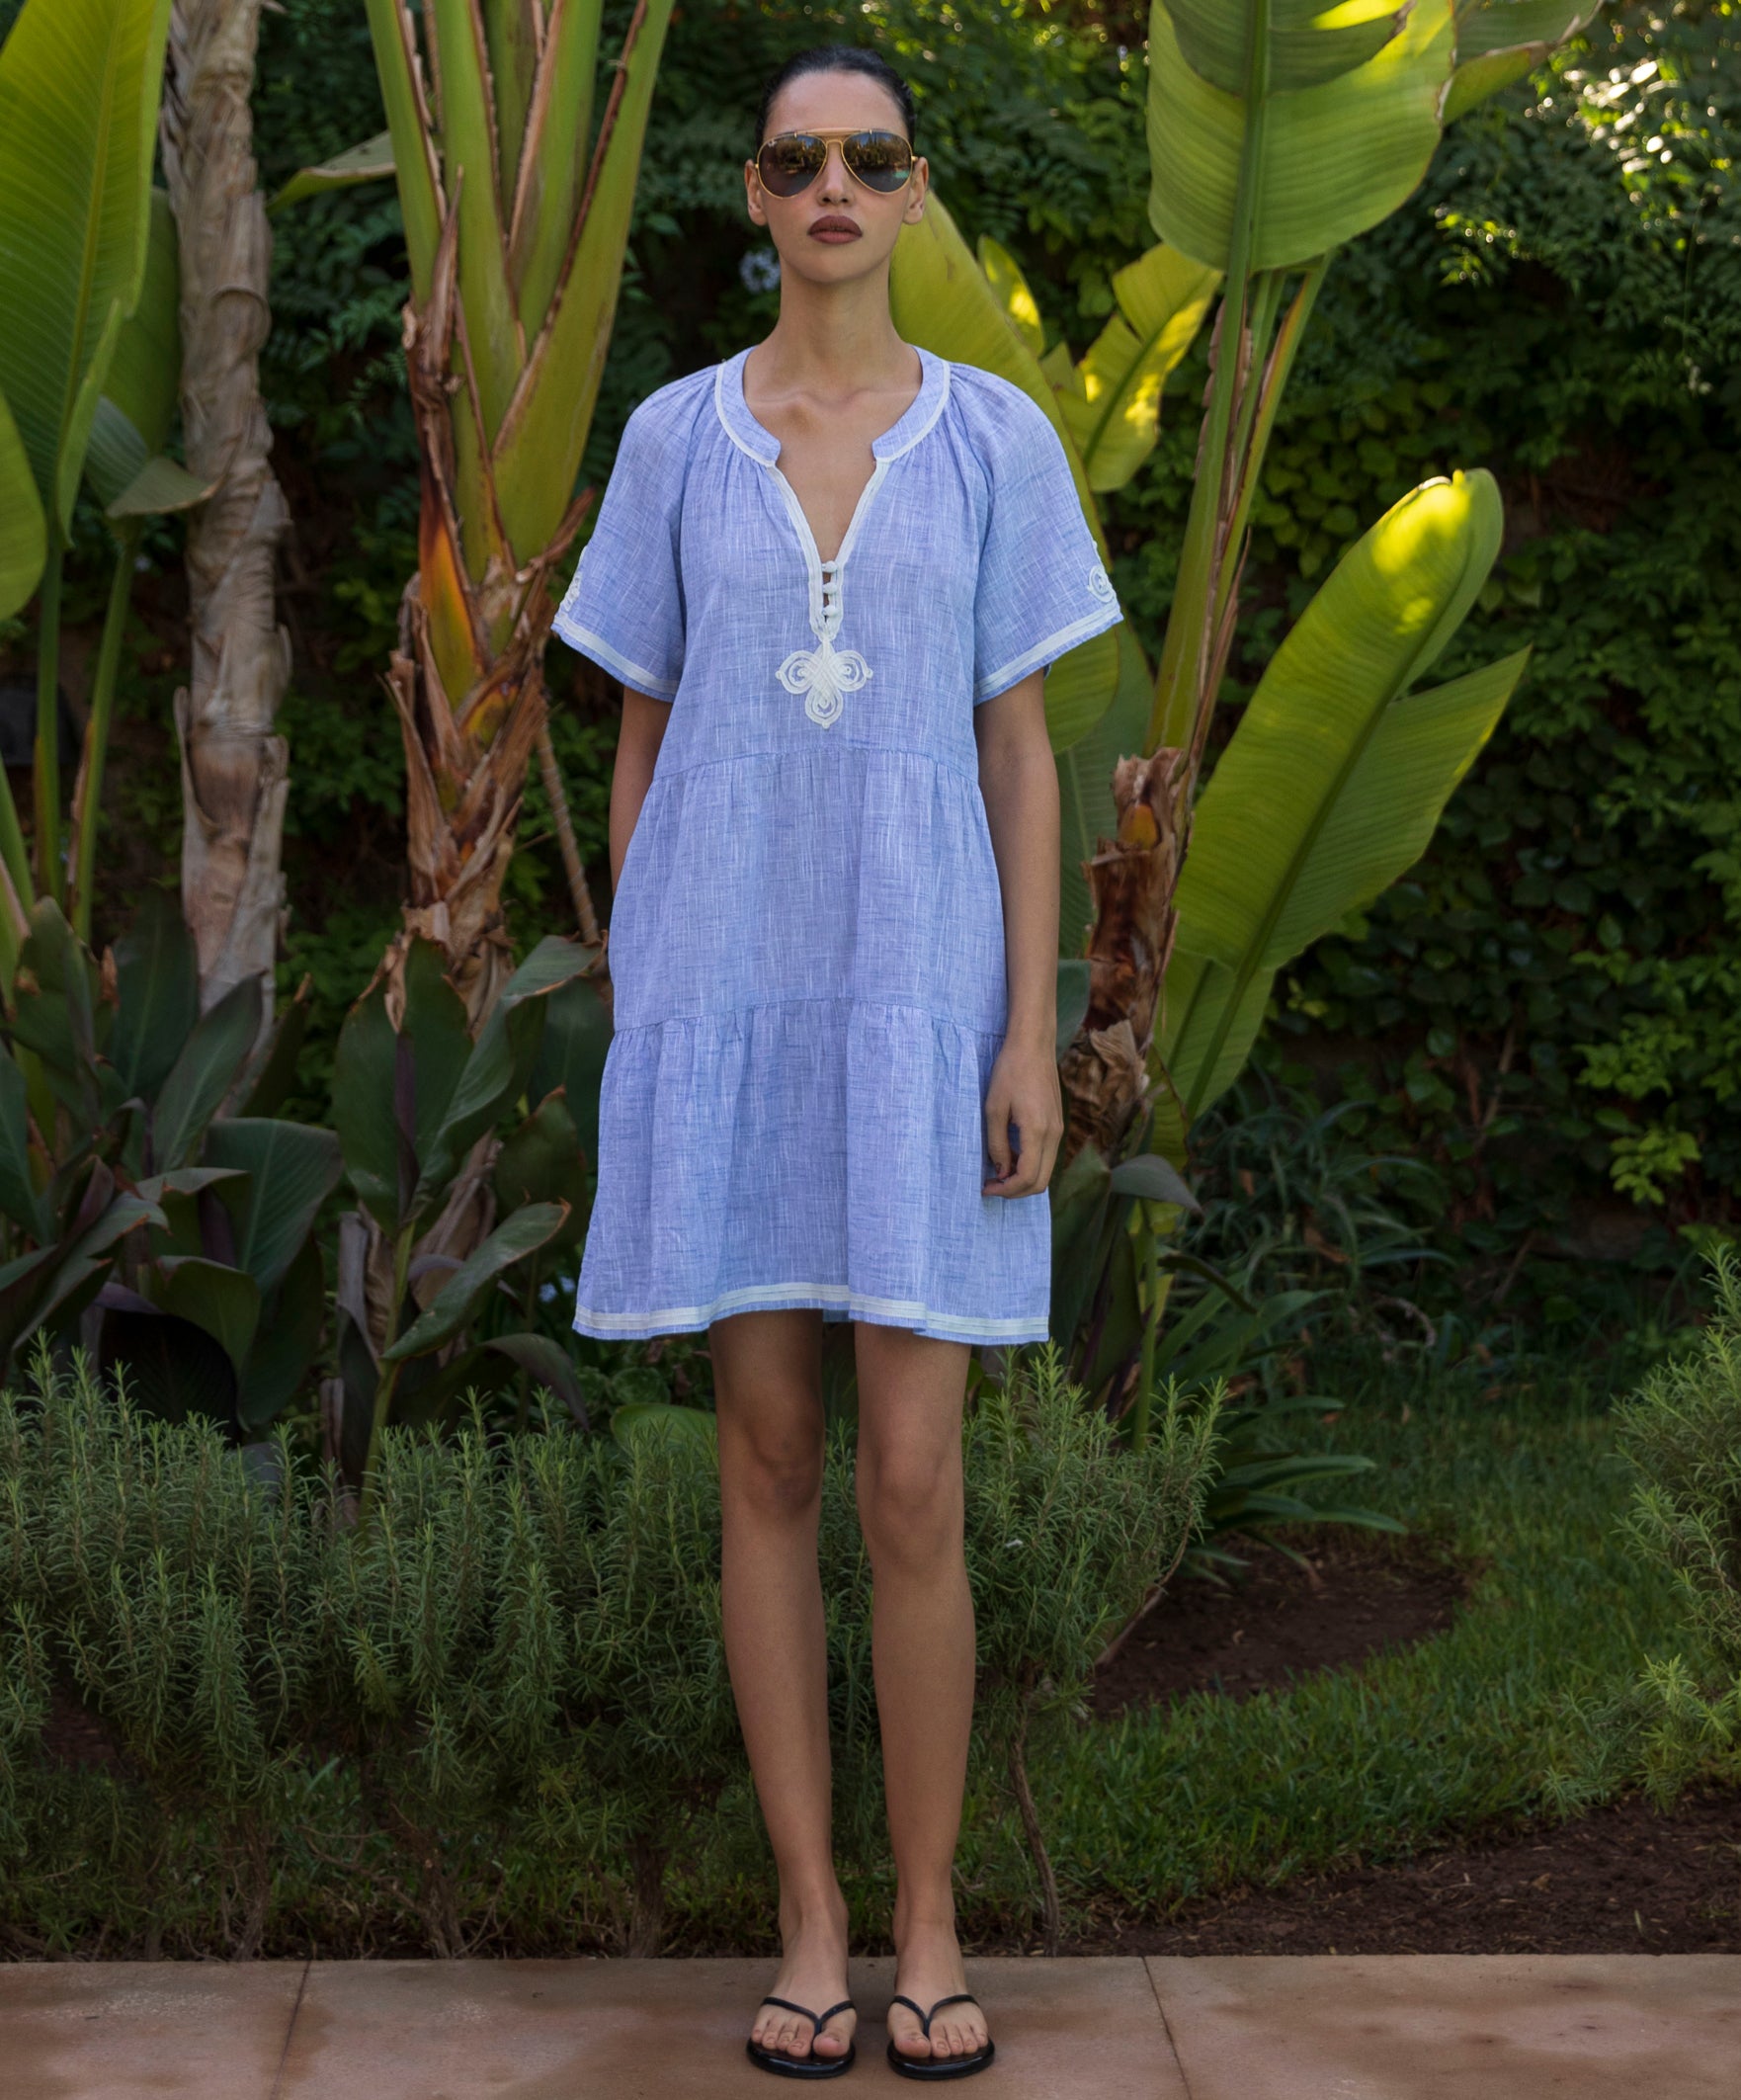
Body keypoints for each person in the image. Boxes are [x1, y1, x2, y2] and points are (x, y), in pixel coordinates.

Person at [551, 41, 1122, 2081]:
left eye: (869, 158)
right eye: (798, 158)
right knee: (767, 1457)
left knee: (910, 1475)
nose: (832, 187)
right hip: (726, 1004)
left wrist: (1027, 1028)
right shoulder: (671, 438)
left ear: (911, 190)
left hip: (921, 1008)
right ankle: (807, 1920)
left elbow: (1018, 751)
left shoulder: (992, 442)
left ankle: (929, 1919)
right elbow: (637, 736)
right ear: (752, 191)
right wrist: (649, 1000)